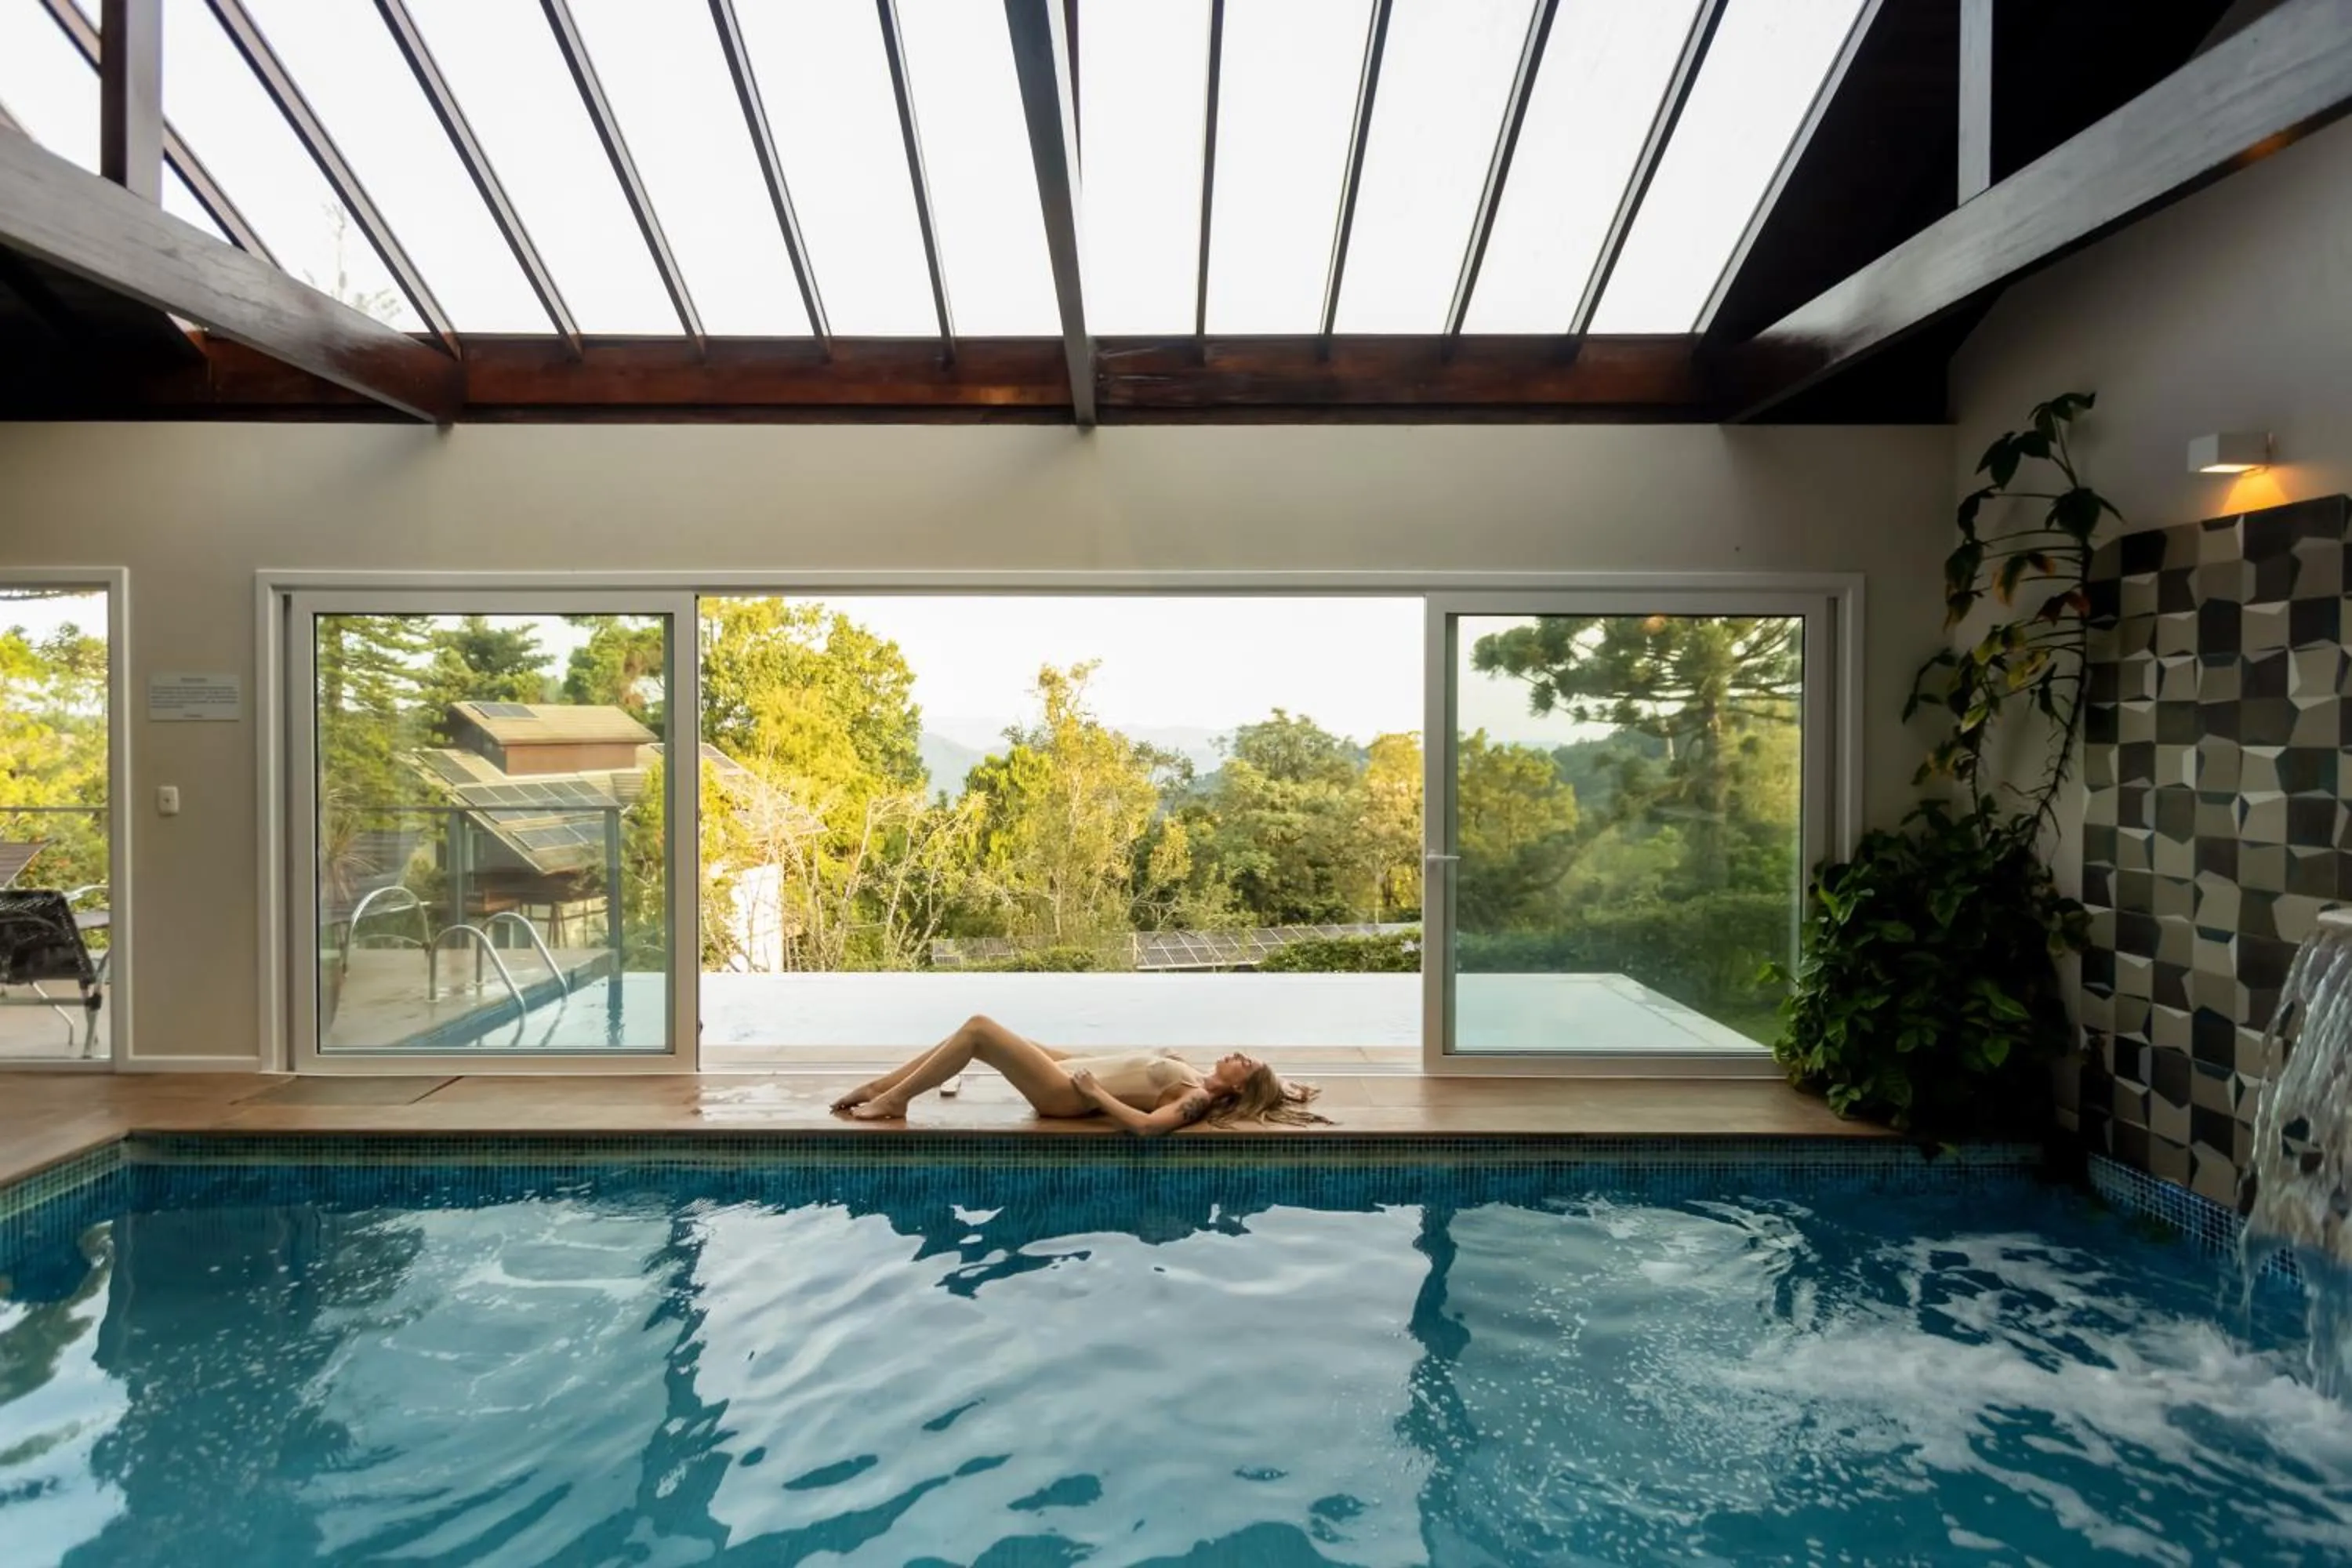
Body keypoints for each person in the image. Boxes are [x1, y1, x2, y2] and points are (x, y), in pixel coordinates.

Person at [827, 1014, 1329, 1133]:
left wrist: (1091, 1092)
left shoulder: (1194, 1097)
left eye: (1247, 1062)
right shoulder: (1196, 1075)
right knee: (976, 1032)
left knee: (980, 1030)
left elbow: (1149, 1128)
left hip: (1064, 1094)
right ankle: (882, 1087)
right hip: (1067, 1072)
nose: (1240, 1054)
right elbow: (1124, 1067)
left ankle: (895, 1100)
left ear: (1240, 1084)